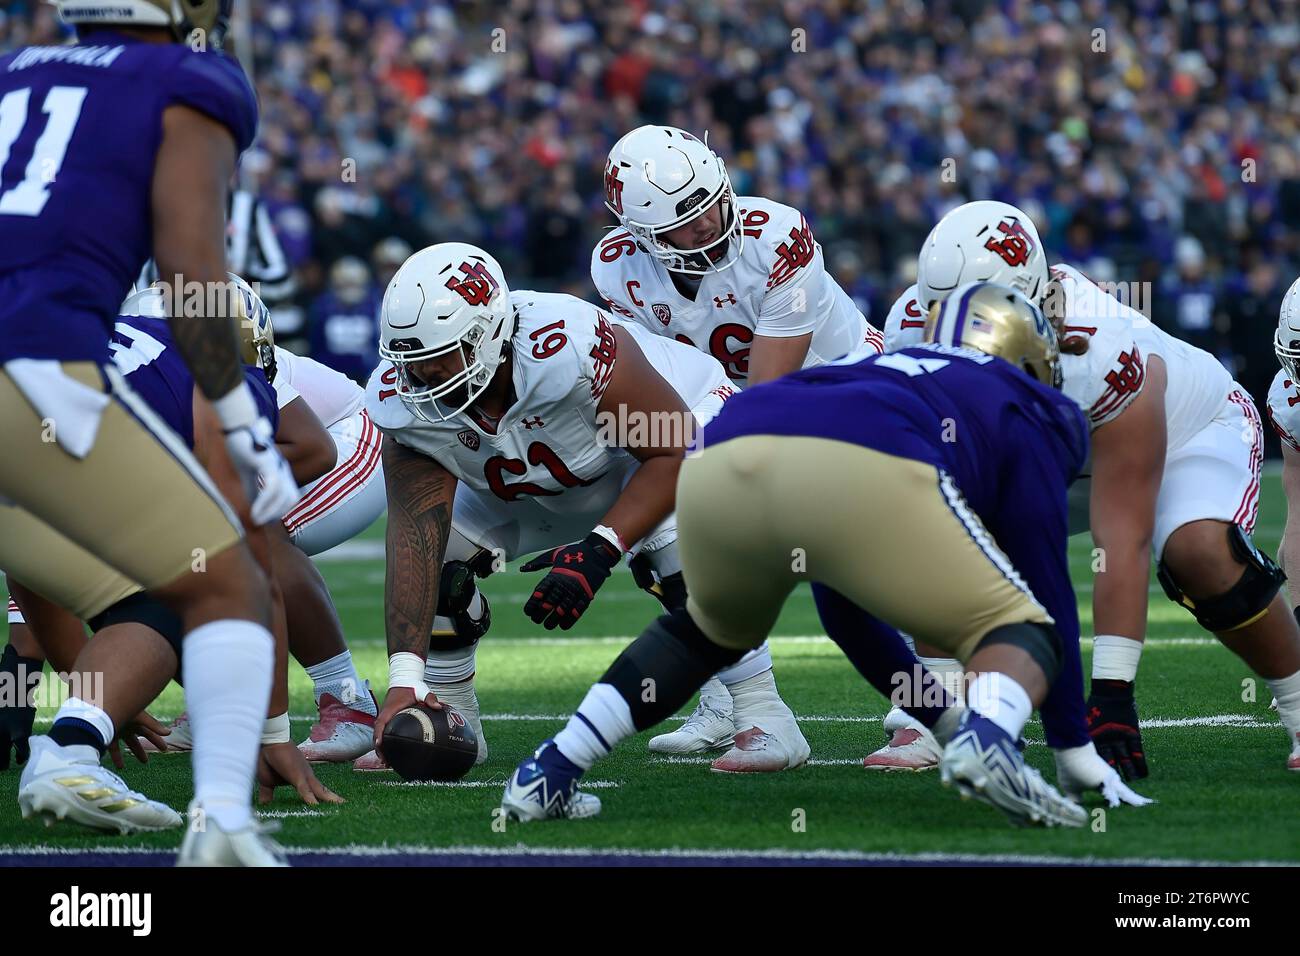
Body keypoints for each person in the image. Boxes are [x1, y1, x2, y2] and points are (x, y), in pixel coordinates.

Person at [501, 283, 1095, 826]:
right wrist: (1071, 750)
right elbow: (1046, 591)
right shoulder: (1030, 405)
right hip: (856, 456)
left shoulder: (882, 366)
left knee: (703, 634)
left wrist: (944, 722)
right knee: (1023, 626)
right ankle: (989, 743)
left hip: (728, 437)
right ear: (1028, 358)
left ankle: (550, 771)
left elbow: (846, 617)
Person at [0, 0, 298, 865]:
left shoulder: (16, 70)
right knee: (225, 582)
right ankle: (222, 829)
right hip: (35, 372)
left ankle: (70, 746)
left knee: (133, 599)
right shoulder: (186, 80)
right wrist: (240, 416)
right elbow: (193, 275)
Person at [362, 242, 809, 775]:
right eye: (411, 362)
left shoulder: (568, 346)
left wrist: (598, 551)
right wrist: (403, 685)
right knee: (439, 564)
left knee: (675, 536)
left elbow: (673, 449)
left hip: (656, 447)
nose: (423, 378)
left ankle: (764, 712)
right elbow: (415, 537)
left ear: (487, 335)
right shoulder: (404, 401)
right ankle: (450, 717)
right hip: (530, 487)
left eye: (439, 357)